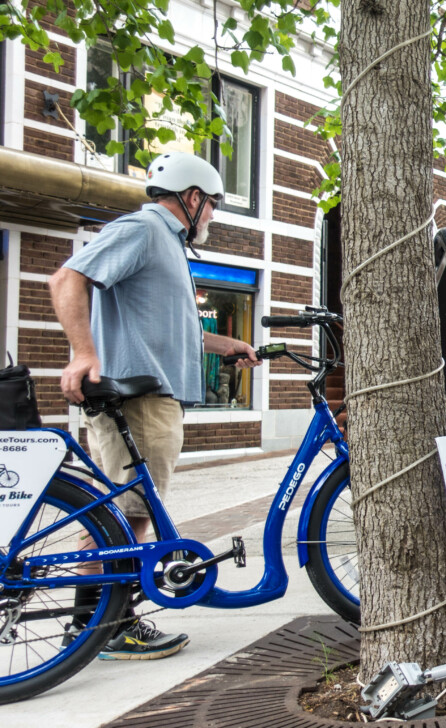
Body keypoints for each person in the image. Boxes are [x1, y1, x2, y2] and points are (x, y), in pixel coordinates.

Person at [48, 151, 260, 660]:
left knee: (125, 515)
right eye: (210, 206)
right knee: (126, 518)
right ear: (191, 198)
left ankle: (98, 623)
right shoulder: (143, 230)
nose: (210, 216)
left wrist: (223, 345)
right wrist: (83, 352)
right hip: (139, 400)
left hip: (150, 399)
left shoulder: (165, 244)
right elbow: (66, 279)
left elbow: (171, 330)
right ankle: (101, 627)